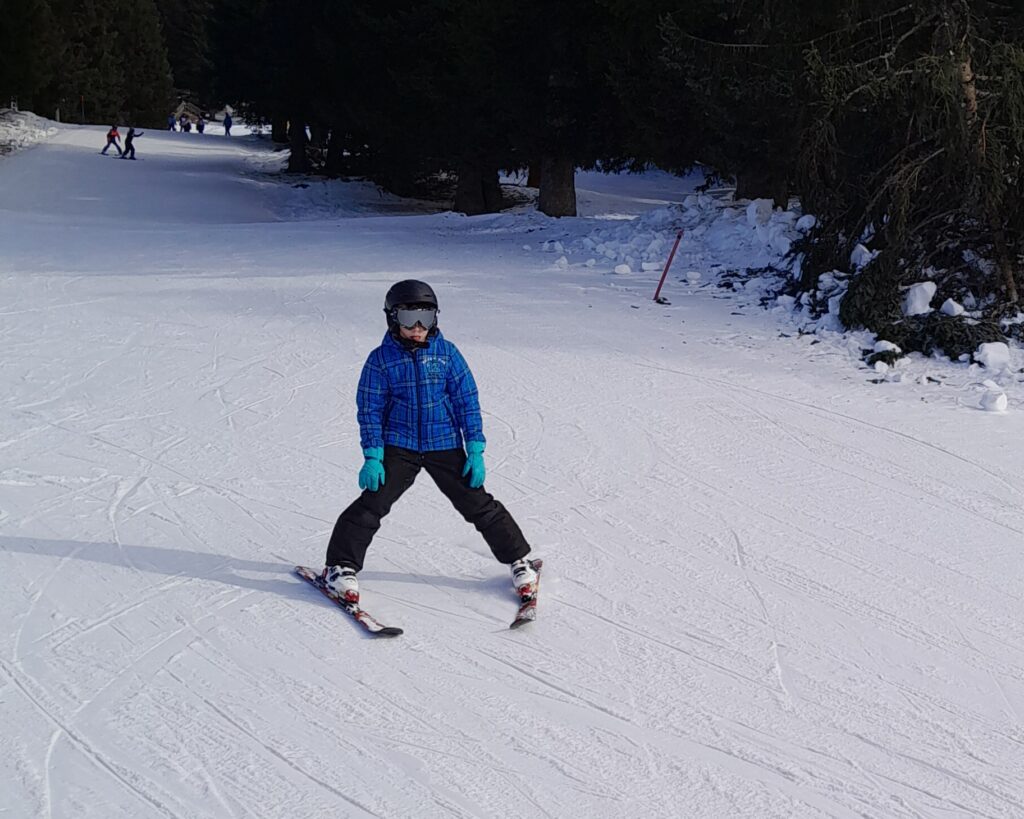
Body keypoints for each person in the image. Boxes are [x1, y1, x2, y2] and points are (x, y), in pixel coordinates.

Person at [321, 279, 538, 604]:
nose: (418, 328)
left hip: (444, 443)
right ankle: (340, 566)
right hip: (400, 445)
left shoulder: (447, 354)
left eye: (426, 317)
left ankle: (519, 560)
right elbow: (370, 410)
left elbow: (467, 401)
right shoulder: (380, 360)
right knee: (373, 504)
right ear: (392, 318)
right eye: (409, 318)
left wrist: (475, 448)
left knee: (478, 503)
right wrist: (373, 455)